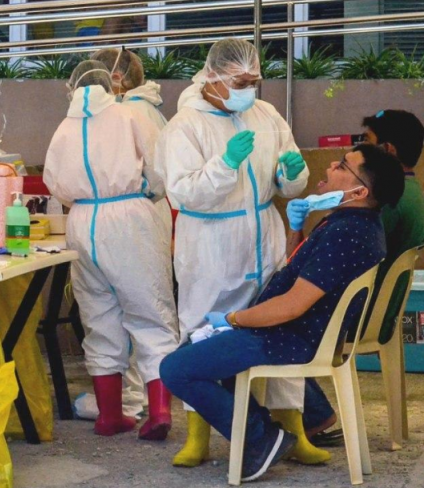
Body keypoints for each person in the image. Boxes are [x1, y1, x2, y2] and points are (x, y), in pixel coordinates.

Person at [161, 144, 405, 482]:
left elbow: (293, 305)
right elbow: (295, 270)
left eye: (343, 165)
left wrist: (234, 320)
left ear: (359, 191)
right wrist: (296, 229)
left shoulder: (346, 233)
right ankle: (263, 435)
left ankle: (261, 438)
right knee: (198, 354)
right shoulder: (351, 222)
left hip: (290, 337)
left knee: (176, 368)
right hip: (291, 331)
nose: (332, 164)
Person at [154, 37, 318, 467]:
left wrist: (292, 177)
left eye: (254, 80)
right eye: (239, 80)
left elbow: (290, 174)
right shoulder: (184, 126)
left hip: (264, 237)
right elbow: (183, 194)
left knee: (279, 329)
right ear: (213, 77)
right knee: (200, 332)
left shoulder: (265, 115)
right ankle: (198, 436)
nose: (249, 88)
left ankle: (293, 430)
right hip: (210, 245)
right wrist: (224, 165)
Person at [44, 60, 179, 440]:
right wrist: (152, 193)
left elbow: (56, 184)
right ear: (110, 85)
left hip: (83, 220)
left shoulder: (63, 128)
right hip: (130, 215)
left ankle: (108, 415)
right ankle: (159, 411)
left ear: (74, 88)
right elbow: (158, 169)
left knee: (98, 314)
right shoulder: (129, 114)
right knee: (151, 311)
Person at [303, 109, 424, 444]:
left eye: (366, 145)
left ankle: (308, 418)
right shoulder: (410, 194)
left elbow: (333, 258)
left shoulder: (378, 209)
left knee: (276, 321)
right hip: (374, 312)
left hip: (355, 315)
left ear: (387, 152)